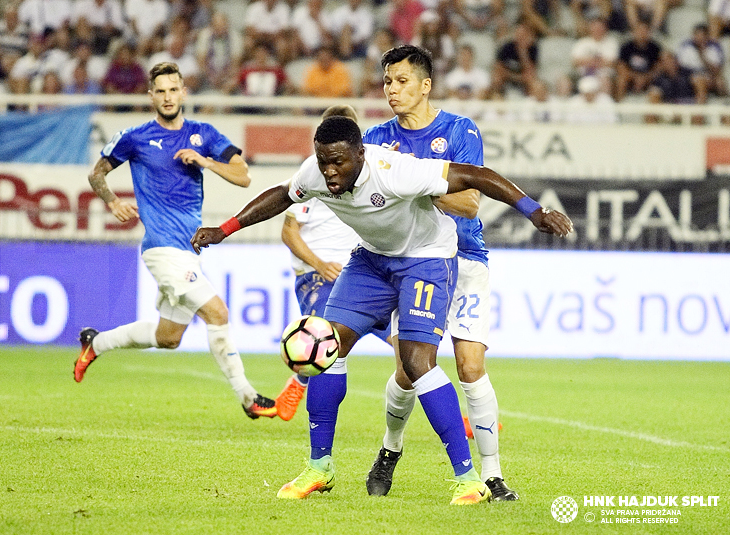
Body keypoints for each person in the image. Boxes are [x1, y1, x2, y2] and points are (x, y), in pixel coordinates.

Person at [191, 116, 572, 505]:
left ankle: (468, 478)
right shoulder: (317, 173)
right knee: (327, 345)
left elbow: (476, 175)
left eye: (338, 161)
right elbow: (281, 194)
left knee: (416, 362)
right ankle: (319, 468)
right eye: (323, 161)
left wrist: (534, 211)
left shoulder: (395, 171)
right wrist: (224, 230)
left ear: (361, 154)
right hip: (372, 261)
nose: (329, 171)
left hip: (425, 259)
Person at [74, 62, 278, 421]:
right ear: (151, 95)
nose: (167, 97)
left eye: (173, 89)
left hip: (189, 251)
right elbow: (97, 173)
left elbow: (243, 176)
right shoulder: (135, 137)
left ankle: (97, 343)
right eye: (161, 90)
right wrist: (113, 201)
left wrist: (205, 161)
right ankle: (248, 397)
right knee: (218, 312)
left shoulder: (204, 134)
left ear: (183, 92)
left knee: (168, 337)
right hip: (161, 249)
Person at [360, 43, 519, 502]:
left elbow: (469, 202)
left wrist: (409, 185)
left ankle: (491, 474)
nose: (392, 89)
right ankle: (390, 450)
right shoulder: (374, 139)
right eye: (388, 81)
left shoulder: (459, 130)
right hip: (409, 262)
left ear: (425, 85)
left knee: (471, 365)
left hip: (465, 258)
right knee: (410, 371)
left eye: (402, 81)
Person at [275, 104, 390, 422]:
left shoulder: (368, 172)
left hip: (362, 273)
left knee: (411, 344)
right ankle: (301, 385)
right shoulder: (310, 175)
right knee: (326, 342)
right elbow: (289, 232)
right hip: (319, 275)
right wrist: (320, 263)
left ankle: (451, 411)